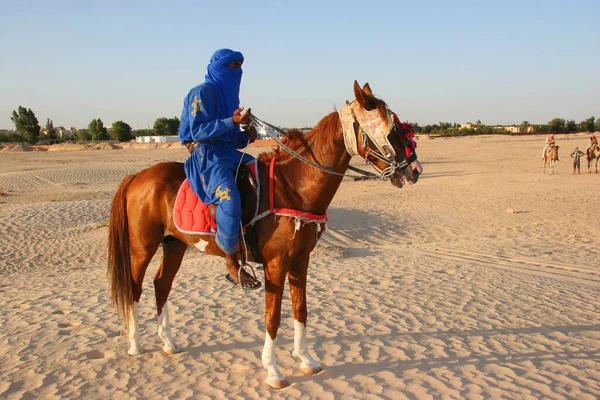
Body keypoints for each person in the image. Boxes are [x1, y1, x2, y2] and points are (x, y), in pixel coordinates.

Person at [178, 48, 261, 290]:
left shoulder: (230, 100)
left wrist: (246, 135)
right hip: (206, 157)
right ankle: (231, 263)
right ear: (217, 68)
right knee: (231, 199)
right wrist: (231, 122)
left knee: (265, 174)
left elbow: (232, 140)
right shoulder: (201, 92)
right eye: (232, 66)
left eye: (239, 66)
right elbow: (198, 132)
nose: (237, 71)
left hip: (229, 154)